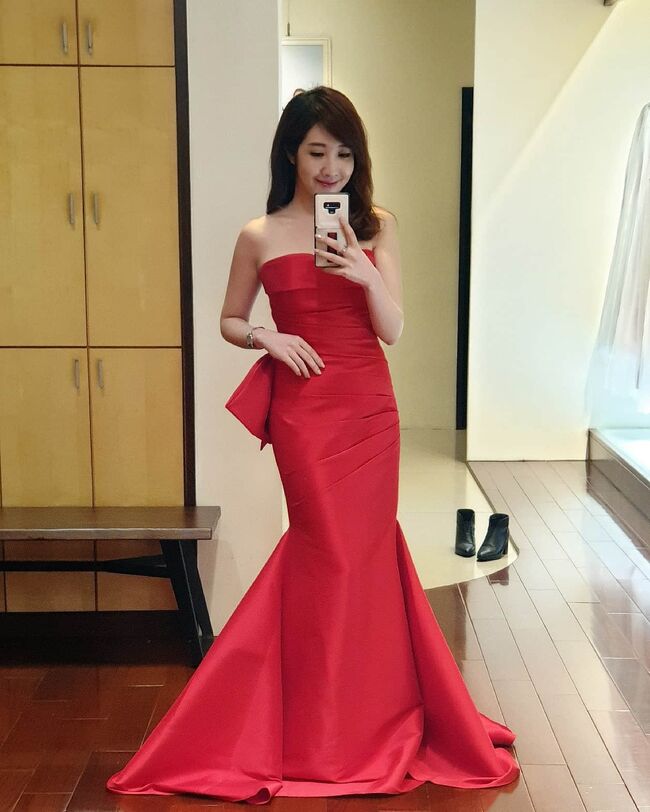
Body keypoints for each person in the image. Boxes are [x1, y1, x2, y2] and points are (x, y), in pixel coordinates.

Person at [106, 86, 519, 804]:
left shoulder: (376, 227)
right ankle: (318, 724)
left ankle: (367, 718)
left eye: (345, 155)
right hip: (304, 412)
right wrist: (266, 335)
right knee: (325, 552)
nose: (332, 169)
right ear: (291, 155)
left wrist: (362, 270)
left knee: (366, 556)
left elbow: (393, 329)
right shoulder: (260, 234)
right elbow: (230, 319)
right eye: (317, 152)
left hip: (369, 409)